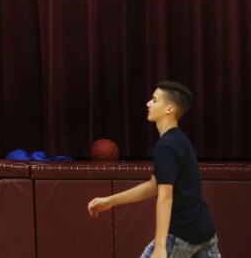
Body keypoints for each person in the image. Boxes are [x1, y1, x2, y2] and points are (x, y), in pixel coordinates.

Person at [87, 81, 220, 258]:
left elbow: (165, 196)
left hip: (182, 236)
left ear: (169, 109)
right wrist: (111, 201)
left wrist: (160, 247)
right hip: (205, 233)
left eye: (154, 100)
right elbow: (154, 185)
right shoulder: (179, 139)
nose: (148, 104)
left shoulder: (166, 146)